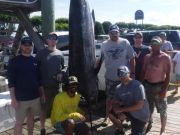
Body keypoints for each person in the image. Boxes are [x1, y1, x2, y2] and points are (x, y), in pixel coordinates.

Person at [96, 24, 135, 123]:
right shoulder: (104, 44)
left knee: (125, 99)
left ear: (119, 33)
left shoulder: (125, 42)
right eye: (112, 33)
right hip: (110, 78)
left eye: (116, 32)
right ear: (109, 33)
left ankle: (125, 118)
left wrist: (132, 73)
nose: (114, 34)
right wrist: (94, 70)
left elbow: (132, 58)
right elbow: (101, 59)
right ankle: (106, 117)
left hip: (124, 78)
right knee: (109, 99)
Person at [7, 37, 45, 135]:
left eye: (29, 45)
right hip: (20, 100)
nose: (27, 47)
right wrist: (13, 99)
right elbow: (11, 83)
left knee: (31, 119)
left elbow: (39, 81)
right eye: (25, 45)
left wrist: (42, 94)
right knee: (19, 123)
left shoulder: (35, 60)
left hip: (35, 98)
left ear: (32, 46)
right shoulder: (14, 61)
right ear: (21, 46)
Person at [36, 32, 65, 135]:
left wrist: (61, 73)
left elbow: (64, 67)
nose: (52, 40)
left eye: (54, 38)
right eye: (50, 38)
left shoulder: (60, 53)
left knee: (58, 108)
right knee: (43, 109)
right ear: (47, 40)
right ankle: (43, 128)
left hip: (58, 87)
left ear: (57, 41)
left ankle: (58, 125)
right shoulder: (40, 53)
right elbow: (36, 70)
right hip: (44, 88)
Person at [141, 36, 171, 135]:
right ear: (151, 45)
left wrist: (164, 90)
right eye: (153, 44)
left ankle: (163, 130)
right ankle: (149, 123)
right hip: (147, 86)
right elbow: (144, 71)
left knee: (163, 109)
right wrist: (141, 85)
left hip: (159, 87)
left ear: (160, 44)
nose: (155, 46)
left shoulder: (165, 57)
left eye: (157, 44)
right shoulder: (147, 57)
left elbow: (168, 75)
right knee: (148, 107)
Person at [109, 65, 149, 135]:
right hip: (128, 110)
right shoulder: (118, 88)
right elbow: (115, 102)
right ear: (118, 76)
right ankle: (121, 130)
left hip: (140, 114)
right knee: (111, 115)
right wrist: (117, 109)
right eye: (121, 76)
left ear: (129, 74)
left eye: (125, 75)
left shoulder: (138, 86)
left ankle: (144, 125)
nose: (123, 78)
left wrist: (121, 110)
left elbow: (139, 106)